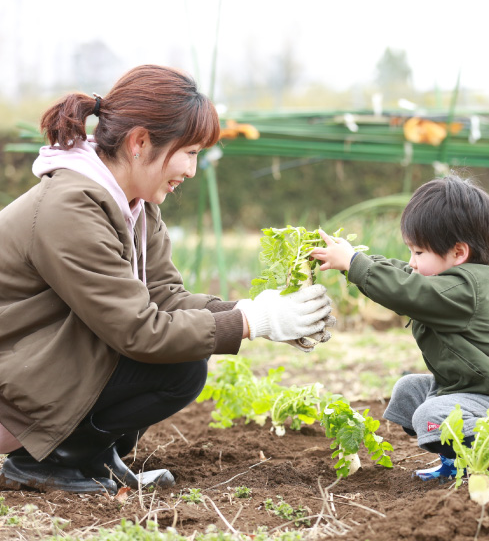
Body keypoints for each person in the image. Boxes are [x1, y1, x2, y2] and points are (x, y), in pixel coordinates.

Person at [0, 65, 334, 495]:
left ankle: (90, 456)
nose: (192, 170)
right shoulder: (70, 208)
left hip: (38, 366)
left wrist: (258, 314)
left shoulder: (134, 206)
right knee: (178, 364)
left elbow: (164, 297)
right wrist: (252, 322)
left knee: (183, 354)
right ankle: (49, 461)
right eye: (190, 152)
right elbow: (139, 331)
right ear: (140, 142)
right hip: (13, 382)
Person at [311, 174, 489, 484]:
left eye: (418, 253)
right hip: (469, 391)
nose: (412, 262)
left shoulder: (463, 290)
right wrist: (358, 260)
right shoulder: (445, 281)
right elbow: (405, 276)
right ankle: (454, 463)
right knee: (409, 393)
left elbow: (406, 290)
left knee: (430, 417)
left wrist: (355, 264)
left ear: (459, 253)